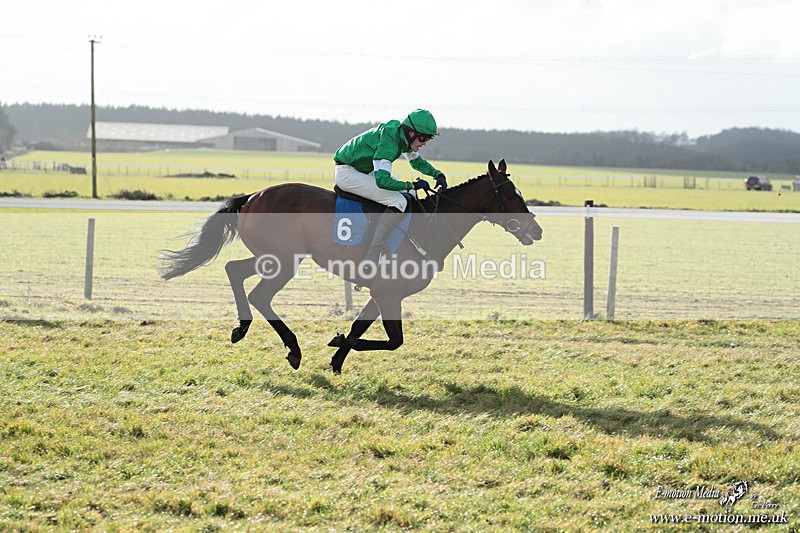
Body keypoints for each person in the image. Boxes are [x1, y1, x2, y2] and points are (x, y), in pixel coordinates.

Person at [334, 109, 447, 284]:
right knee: (399, 200)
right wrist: (413, 184)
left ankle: (400, 243)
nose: (425, 143)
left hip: (363, 170)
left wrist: (437, 174)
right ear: (411, 133)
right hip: (348, 174)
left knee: (410, 194)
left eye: (428, 139)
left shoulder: (402, 136)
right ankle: (371, 259)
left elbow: (416, 161)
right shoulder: (390, 141)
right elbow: (382, 181)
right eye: (423, 138)